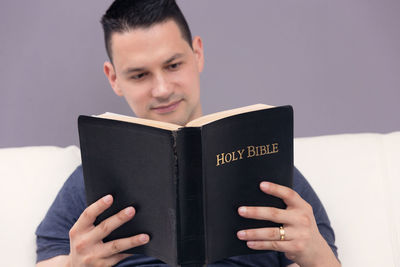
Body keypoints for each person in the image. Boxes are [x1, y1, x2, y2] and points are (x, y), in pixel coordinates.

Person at [36, 1, 341, 266]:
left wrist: (317, 256)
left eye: (173, 65)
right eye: (139, 74)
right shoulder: (88, 183)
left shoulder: (273, 170)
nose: (162, 89)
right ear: (114, 78)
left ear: (197, 53)